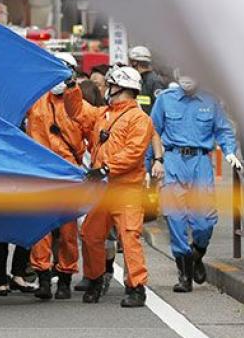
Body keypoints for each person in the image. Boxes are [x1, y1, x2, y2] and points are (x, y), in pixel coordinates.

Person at [64, 66, 154, 308]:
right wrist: (71, 87)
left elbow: (134, 152)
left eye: (111, 85)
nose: (107, 90)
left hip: (126, 189)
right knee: (91, 234)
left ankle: (136, 287)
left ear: (120, 88)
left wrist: (106, 168)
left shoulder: (140, 119)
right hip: (103, 189)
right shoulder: (103, 113)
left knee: (129, 236)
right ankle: (94, 280)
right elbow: (77, 111)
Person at [150, 72, 240, 293]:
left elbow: (224, 130)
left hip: (200, 162)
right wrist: (152, 163)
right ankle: (184, 275)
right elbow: (151, 132)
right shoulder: (165, 99)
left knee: (204, 222)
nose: (187, 77)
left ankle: (196, 253)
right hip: (172, 160)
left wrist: (229, 152)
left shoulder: (210, 101)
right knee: (176, 218)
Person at [25, 52, 84, 300]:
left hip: (68, 172)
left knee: (68, 230)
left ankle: (66, 277)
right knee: (40, 228)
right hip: (41, 171)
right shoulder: (34, 102)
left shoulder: (79, 106)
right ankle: (43, 278)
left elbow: (96, 132)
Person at [128, 46, 165, 116]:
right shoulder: (136, 79)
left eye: (130, 61)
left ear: (134, 62)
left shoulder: (154, 81)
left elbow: (161, 106)